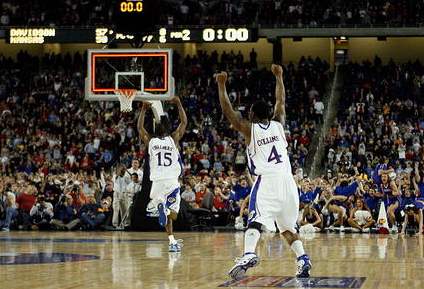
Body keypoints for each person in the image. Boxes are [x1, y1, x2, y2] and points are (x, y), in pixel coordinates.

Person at [216, 64, 312, 280]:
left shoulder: (249, 129)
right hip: (288, 182)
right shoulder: (279, 123)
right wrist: (279, 77)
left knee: (255, 222)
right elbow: (281, 101)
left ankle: (249, 253)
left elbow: (227, 112)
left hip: (267, 180)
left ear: (252, 114)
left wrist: (221, 85)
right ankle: (303, 259)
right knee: (287, 228)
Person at [138, 96, 187, 252]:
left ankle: (172, 242)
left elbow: (140, 129)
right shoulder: (173, 139)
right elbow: (184, 122)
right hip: (171, 181)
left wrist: (143, 110)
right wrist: (179, 103)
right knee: (173, 214)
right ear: (168, 128)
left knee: (166, 212)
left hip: (157, 183)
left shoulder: (151, 141)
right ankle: (164, 211)